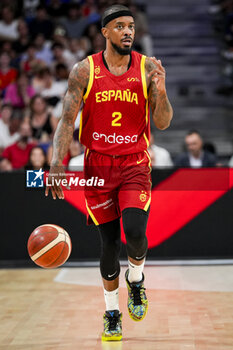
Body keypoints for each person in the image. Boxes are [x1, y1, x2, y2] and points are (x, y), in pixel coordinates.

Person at [45, 4, 173, 342]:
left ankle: (137, 280)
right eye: (120, 26)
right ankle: (112, 313)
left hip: (133, 162)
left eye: (131, 26)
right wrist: (57, 161)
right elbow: (66, 121)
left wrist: (161, 93)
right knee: (108, 242)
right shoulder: (84, 71)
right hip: (98, 165)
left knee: (134, 230)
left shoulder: (148, 69)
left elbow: (162, 122)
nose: (128, 31)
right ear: (105, 32)